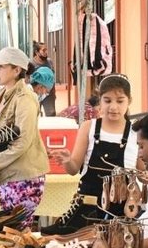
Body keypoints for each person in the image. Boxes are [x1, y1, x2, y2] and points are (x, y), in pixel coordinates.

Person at [42, 74, 142, 235]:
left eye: (120, 100)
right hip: (85, 211)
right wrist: (67, 160)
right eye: (107, 100)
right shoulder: (89, 127)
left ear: (129, 101)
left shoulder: (135, 133)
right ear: (100, 100)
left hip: (121, 212)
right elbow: (73, 169)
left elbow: (142, 173)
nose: (113, 107)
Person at [0, 47, 50, 227]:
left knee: (16, 233)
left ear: (17, 70)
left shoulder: (25, 98)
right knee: (10, 233)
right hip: (9, 175)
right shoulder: (2, 96)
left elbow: (22, 142)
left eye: (1, 66)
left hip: (22, 176)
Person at [31, 41, 56, 116]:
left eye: (46, 50)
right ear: (37, 52)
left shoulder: (49, 62)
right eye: (43, 50)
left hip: (49, 94)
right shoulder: (31, 64)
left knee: (51, 113)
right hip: (36, 94)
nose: (46, 52)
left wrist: (53, 93)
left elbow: (52, 78)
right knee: (35, 114)